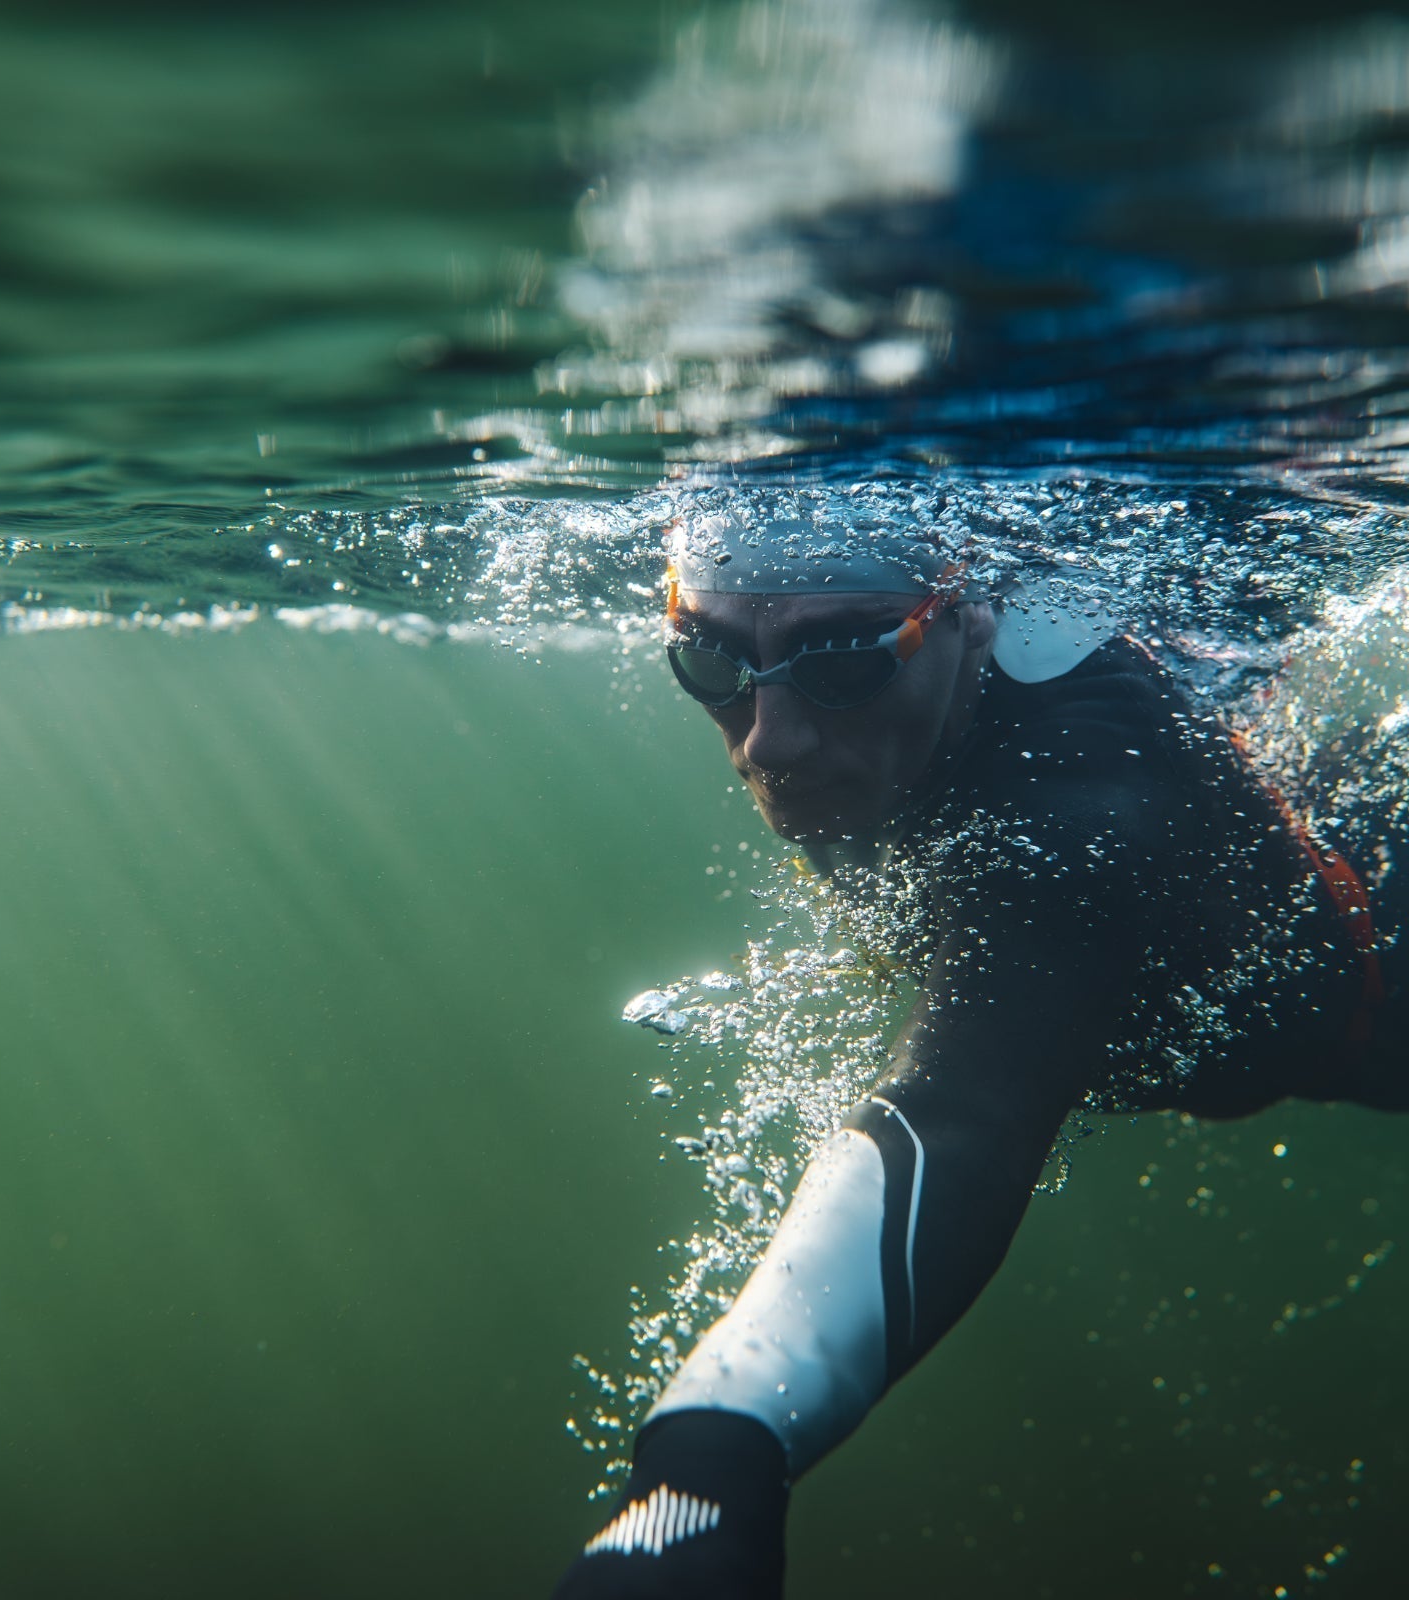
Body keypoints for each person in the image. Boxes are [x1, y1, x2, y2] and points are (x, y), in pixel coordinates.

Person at [551, 494, 1405, 1600]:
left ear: (971, 619)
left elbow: (955, 1117)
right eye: (710, 663)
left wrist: (710, 1470)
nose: (769, 738)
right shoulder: (905, 691)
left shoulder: (1078, 821)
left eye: (847, 662)